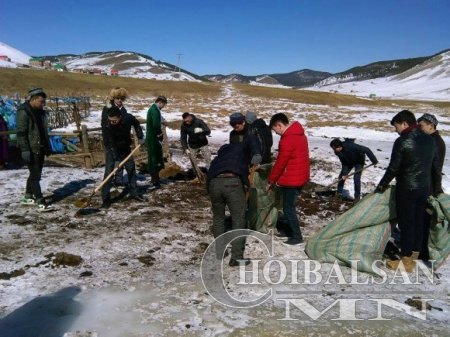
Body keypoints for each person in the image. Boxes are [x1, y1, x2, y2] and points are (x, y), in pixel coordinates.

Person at [376, 110, 441, 272]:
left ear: (404, 123)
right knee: (419, 221)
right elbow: (436, 167)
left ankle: (406, 260)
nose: (395, 130)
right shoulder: (429, 140)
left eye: (396, 126)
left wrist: (382, 185)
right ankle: (414, 255)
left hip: (407, 189)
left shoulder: (402, 141)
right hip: (424, 188)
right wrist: (437, 188)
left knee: (406, 223)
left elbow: (393, 168)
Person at [266, 113, 310, 246]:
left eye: (275, 130)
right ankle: (289, 229)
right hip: (300, 176)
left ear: (279, 125)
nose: (276, 133)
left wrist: (271, 180)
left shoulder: (287, 139)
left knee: (288, 208)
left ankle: (297, 236)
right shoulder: (300, 134)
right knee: (289, 206)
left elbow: (280, 162)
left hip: (292, 178)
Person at [207, 142, 251, 267]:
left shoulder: (217, 160)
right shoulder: (240, 156)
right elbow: (244, 177)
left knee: (218, 218)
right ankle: (236, 257)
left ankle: (220, 251)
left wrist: (210, 191)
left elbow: (208, 177)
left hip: (214, 184)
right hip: (232, 182)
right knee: (238, 219)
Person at [16, 88, 53, 211]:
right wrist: (24, 149)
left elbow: (43, 131)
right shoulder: (24, 111)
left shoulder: (40, 112)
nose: (43, 104)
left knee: (35, 174)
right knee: (36, 176)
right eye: (41, 101)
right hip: (31, 149)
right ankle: (40, 201)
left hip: (40, 147)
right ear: (33, 99)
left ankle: (27, 196)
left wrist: (47, 146)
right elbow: (21, 133)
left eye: (44, 102)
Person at [101, 106, 145, 208]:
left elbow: (136, 123)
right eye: (110, 120)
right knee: (108, 173)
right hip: (112, 150)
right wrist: (117, 160)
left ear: (120, 117)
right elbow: (110, 144)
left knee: (131, 169)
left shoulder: (128, 118)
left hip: (125, 148)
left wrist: (140, 136)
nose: (112, 122)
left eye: (114, 120)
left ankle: (134, 193)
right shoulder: (107, 126)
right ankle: (106, 198)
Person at [417, 113, 446, 262]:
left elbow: (435, 168)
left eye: (421, 126)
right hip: (427, 184)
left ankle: (424, 252)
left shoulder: (435, 142)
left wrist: (436, 190)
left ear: (430, 125)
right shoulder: (431, 140)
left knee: (426, 220)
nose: (419, 128)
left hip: (429, 186)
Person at [101, 87, 129, 186]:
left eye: (121, 98)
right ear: (114, 98)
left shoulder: (123, 110)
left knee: (120, 162)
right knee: (110, 163)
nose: (119, 100)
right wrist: (108, 141)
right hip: (110, 141)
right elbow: (105, 126)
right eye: (117, 98)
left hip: (120, 141)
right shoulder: (108, 109)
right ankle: (107, 184)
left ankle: (119, 180)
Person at [146, 95, 167, 188]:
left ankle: (155, 178)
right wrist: (159, 134)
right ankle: (155, 179)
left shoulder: (153, 109)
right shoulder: (155, 110)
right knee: (154, 157)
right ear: (160, 102)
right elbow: (155, 124)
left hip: (151, 136)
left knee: (153, 156)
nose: (163, 107)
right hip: (153, 138)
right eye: (164, 105)